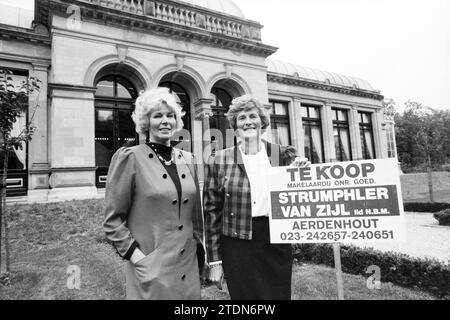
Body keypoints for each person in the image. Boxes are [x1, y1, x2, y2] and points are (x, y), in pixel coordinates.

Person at [203, 95, 310, 300]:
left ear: (263, 122)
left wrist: (302, 169)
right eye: (241, 118)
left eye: (253, 116)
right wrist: (215, 262)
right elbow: (211, 213)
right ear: (234, 126)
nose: (248, 121)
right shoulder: (219, 160)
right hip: (237, 245)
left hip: (275, 241)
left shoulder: (281, 154)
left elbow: (300, 195)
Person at [103, 87, 204, 300]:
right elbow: (113, 221)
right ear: (146, 122)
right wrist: (139, 259)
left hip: (188, 268)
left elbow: (197, 216)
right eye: (157, 115)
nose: (165, 121)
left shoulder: (189, 159)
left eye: (170, 115)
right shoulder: (130, 158)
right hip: (150, 269)